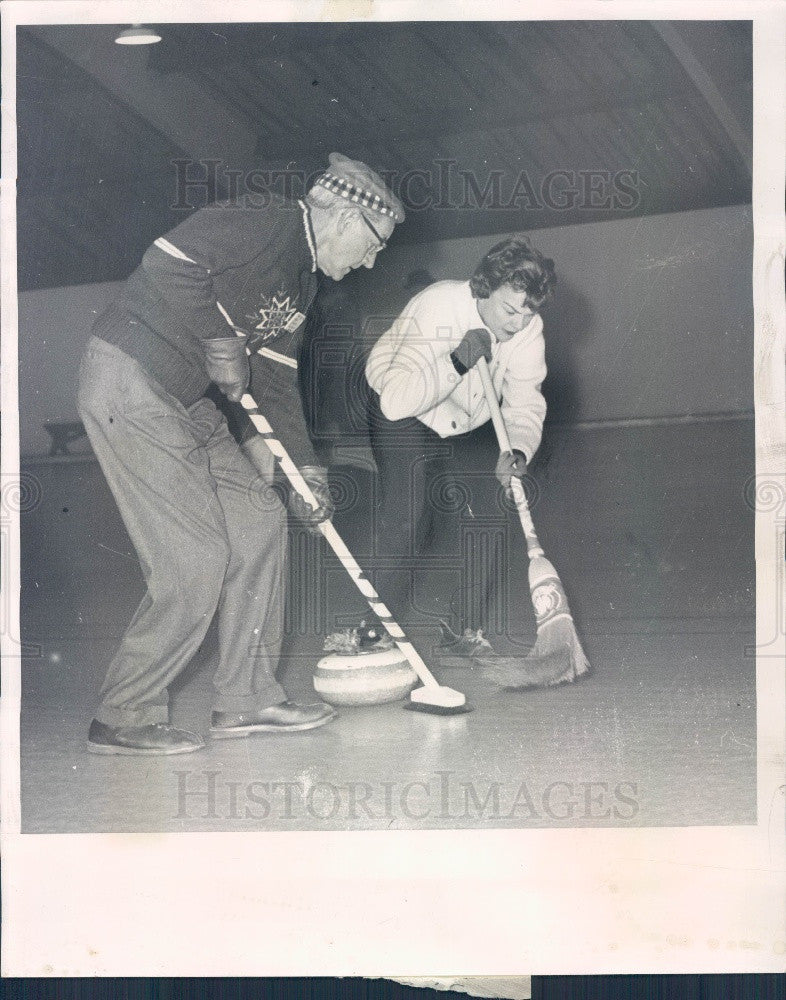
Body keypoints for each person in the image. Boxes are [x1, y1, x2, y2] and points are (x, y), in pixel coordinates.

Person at [78, 152, 404, 755]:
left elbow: (273, 378)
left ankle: (246, 699)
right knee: (196, 555)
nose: (372, 259)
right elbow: (167, 261)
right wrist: (215, 335)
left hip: (187, 398)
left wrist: (303, 468)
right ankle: (123, 713)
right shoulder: (269, 222)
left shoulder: (304, 281)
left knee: (259, 517)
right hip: (132, 377)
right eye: (375, 242)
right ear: (345, 217)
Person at [364, 236, 556, 650]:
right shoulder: (436, 306)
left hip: (466, 419)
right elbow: (396, 401)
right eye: (509, 309)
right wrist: (455, 361)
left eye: (530, 311)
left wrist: (518, 449)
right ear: (483, 288)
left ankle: (461, 630)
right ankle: (372, 629)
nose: (519, 323)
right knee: (409, 512)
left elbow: (525, 402)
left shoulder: (528, 329)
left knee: (493, 505)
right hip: (403, 408)